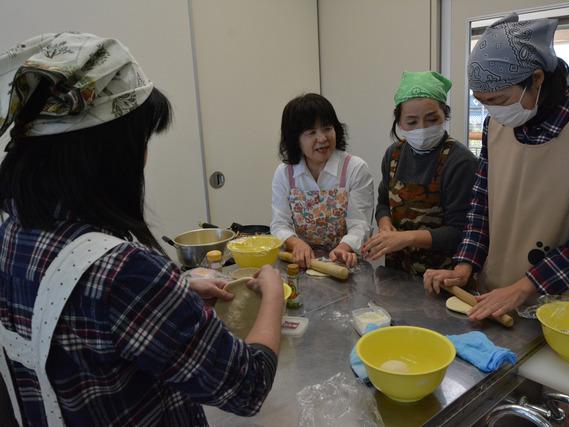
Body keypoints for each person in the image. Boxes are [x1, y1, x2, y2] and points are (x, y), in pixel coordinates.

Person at [0, 33, 283, 426]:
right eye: (141, 140)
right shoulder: (124, 272)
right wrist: (273, 296)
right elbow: (246, 385)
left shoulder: (11, 234)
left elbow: (75, 321)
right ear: (106, 152)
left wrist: (175, 292)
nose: (145, 157)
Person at [424, 14, 569, 321]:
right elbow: (482, 207)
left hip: (568, 306)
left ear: (537, 79)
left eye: (499, 99)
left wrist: (525, 287)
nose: (490, 110)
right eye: (481, 101)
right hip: (497, 293)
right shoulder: (496, 125)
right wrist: (465, 264)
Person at [362, 71, 477, 275]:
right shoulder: (393, 155)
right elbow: (383, 204)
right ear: (399, 123)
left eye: (432, 119)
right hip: (397, 272)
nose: (422, 129)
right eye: (412, 122)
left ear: (445, 115)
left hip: (442, 275)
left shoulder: (460, 162)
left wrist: (406, 238)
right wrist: (386, 226)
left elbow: (459, 231)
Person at [271, 93, 374, 268]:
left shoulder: (354, 168)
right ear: (295, 140)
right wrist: (296, 244)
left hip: (343, 263)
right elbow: (280, 223)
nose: (322, 138)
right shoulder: (285, 173)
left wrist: (343, 247)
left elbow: (360, 224)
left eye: (327, 128)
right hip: (301, 263)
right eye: (311, 132)